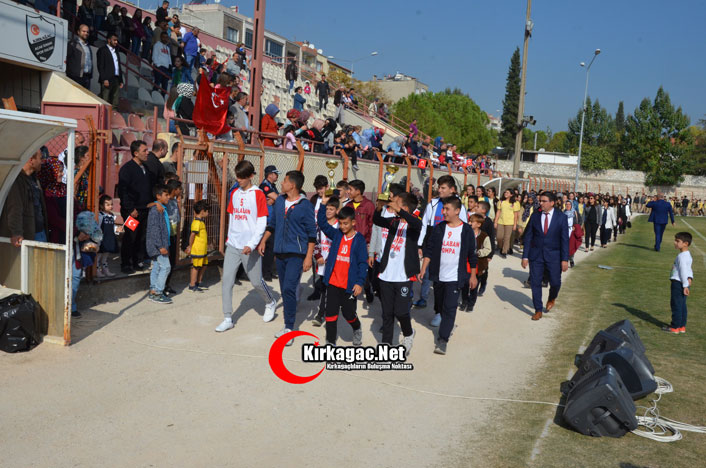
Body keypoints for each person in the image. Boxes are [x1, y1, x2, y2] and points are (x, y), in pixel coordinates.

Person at [257, 170, 316, 346]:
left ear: (293, 185)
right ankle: (287, 324)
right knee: (285, 289)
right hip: (280, 252)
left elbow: (312, 234)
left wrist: (308, 257)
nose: (281, 183)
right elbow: (273, 224)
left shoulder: (305, 206)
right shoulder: (280, 201)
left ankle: (289, 328)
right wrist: (263, 241)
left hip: (296, 254)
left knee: (289, 288)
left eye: (284, 181)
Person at [217, 161, 277, 332]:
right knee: (227, 281)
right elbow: (232, 217)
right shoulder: (235, 193)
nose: (239, 180)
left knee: (256, 281)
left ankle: (270, 301)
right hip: (233, 245)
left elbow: (261, 222)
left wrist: (252, 244)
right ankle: (227, 318)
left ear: (251, 176)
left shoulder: (258, 194)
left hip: (250, 246)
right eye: (237, 176)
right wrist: (229, 238)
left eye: (242, 177)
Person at [419, 197, 478, 355]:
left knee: (450, 308)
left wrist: (473, 276)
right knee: (439, 306)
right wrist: (423, 268)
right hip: (439, 276)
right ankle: (447, 323)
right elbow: (429, 250)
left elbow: (472, 255)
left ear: (457, 211)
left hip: (455, 277)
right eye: (443, 209)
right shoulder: (439, 228)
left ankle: (443, 340)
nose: (443, 212)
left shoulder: (466, 230)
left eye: (447, 209)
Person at [373, 192, 422, 353]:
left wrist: (399, 210)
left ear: (405, 208)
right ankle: (386, 343)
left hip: (403, 276)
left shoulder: (414, 224)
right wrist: (378, 208)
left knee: (401, 312)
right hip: (387, 274)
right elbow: (377, 220)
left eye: (396, 202)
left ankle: (408, 334)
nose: (392, 204)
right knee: (387, 312)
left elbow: (415, 223)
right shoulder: (394, 222)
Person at [415, 175, 467, 318]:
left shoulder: (459, 207)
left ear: (452, 189)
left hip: (449, 245)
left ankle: (442, 309)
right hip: (432, 241)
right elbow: (425, 224)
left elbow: (463, 228)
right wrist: (420, 244)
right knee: (426, 273)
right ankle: (423, 298)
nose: (439, 190)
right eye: (439, 187)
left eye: (443, 188)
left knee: (443, 277)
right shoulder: (432, 203)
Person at [315, 202, 367, 346]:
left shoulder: (359, 240)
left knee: (348, 314)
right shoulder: (337, 234)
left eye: (345, 223)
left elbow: (363, 263)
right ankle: (330, 341)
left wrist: (359, 282)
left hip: (349, 285)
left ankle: (357, 328)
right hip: (333, 282)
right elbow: (322, 224)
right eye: (340, 223)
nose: (342, 226)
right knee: (330, 314)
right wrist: (323, 204)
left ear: (353, 223)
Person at [521, 192, 569, 321]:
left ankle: (552, 298)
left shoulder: (561, 217)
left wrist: (565, 259)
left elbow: (565, 240)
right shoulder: (535, 216)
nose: (540, 203)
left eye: (544, 201)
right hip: (536, 256)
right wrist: (525, 256)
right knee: (535, 282)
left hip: (554, 256)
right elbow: (528, 237)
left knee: (555, 282)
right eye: (540, 201)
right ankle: (538, 309)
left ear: (552, 203)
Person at [117, 140, 152, 274]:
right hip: (131, 212)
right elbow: (123, 191)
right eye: (144, 151)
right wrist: (130, 209)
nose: (147, 153)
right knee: (130, 236)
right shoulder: (127, 169)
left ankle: (138, 261)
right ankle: (126, 263)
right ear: (136, 153)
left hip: (144, 210)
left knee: (141, 237)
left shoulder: (146, 168)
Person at [0, 150, 47, 246]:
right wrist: (16, 232)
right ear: (31, 160)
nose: (42, 161)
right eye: (40, 158)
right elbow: (15, 208)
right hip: (28, 235)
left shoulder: (34, 179)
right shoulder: (16, 180)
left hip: (39, 231)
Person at [344, 179, 376, 302]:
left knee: (363, 269)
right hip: (350, 243)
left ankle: (367, 287)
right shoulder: (348, 205)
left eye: (350, 189)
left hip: (364, 244)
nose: (348, 191)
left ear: (358, 191)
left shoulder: (369, 206)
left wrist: (369, 243)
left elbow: (372, 226)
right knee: (350, 267)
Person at [312, 197, 340, 326]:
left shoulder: (340, 226)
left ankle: (325, 313)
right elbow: (315, 240)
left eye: (331, 209)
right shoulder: (319, 225)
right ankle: (321, 313)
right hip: (322, 262)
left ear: (337, 210)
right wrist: (317, 255)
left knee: (332, 289)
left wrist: (330, 259)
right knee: (324, 288)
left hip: (334, 263)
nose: (328, 211)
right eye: (327, 208)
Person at [71, 212, 103, 317]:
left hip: (77, 247)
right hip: (63, 241)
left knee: (76, 276)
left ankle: (71, 306)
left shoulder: (80, 208)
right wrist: (76, 233)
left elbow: (94, 228)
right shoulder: (57, 201)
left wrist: (87, 233)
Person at [661, 232, 694, 334]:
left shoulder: (681, 257)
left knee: (676, 305)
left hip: (678, 283)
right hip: (683, 282)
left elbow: (684, 270)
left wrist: (685, 285)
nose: (675, 243)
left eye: (677, 241)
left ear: (685, 244)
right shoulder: (687, 255)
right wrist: (690, 278)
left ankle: (675, 327)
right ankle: (681, 326)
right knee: (682, 305)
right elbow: (689, 269)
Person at [146, 184, 172, 303]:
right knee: (166, 267)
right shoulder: (156, 210)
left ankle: (153, 290)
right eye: (166, 195)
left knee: (157, 267)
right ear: (158, 196)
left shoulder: (160, 208)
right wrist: (160, 246)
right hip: (158, 246)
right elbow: (154, 230)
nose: (168, 197)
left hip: (160, 244)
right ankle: (158, 292)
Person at [464, 214, 491, 312]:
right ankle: (464, 301)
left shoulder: (484, 236)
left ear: (479, 224)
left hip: (478, 265)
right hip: (466, 264)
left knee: (474, 286)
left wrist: (479, 253)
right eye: (469, 221)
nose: (469, 223)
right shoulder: (466, 233)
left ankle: (471, 303)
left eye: (472, 221)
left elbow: (488, 249)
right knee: (465, 285)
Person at [184, 200, 209, 292]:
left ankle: (198, 281)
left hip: (203, 249)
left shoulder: (201, 222)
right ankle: (192, 284)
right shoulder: (196, 223)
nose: (208, 213)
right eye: (207, 211)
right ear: (202, 211)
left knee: (204, 265)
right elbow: (192, 235)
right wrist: (190, 246)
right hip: (198, 249)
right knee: (196, 266)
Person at [97, 33, 124, 106]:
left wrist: (121, 80)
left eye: (117, 40)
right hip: (107, 79)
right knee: (105, 100)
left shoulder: (116, 51)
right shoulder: (102, 50)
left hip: (116, 79)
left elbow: (118, 66)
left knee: (115, 102)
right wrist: (104, 79)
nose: (116, 42)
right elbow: (100, 66)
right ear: (109, 40)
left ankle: (113, 113)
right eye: (114, 40)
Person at [96, 194, 119, 278]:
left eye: (111, 204)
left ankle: (105, 270)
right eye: (108, 204)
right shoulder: (100, 215)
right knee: (98, 256)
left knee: (105, 257)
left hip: (109, 239)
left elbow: (112, 227)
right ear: (101, 206)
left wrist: (117, 229)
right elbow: (98, 227)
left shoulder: (112, 216)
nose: (110, 206)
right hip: (102, 239)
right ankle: (97, 270)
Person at [494, 189, 520, 258]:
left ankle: (504, 251)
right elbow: (498, 212)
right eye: (505, 192)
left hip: (510, 223)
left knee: (507, 238)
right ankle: (501, 246)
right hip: (501, 222)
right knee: (499, 237)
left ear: (511, 195)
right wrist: (495, 222)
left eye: (507, 192)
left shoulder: (515, 203)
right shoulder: (501, 202)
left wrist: (515, 225)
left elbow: (516, 215)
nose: (506, 193)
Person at [66, 24, 93, 89]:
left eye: (87, 32)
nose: (86, 33)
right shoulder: (72, 44)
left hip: (87, 77)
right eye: (83, 31)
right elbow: (67, 58)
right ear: (78, 32)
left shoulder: (88, 46)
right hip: (75, 77)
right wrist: (71, 74)